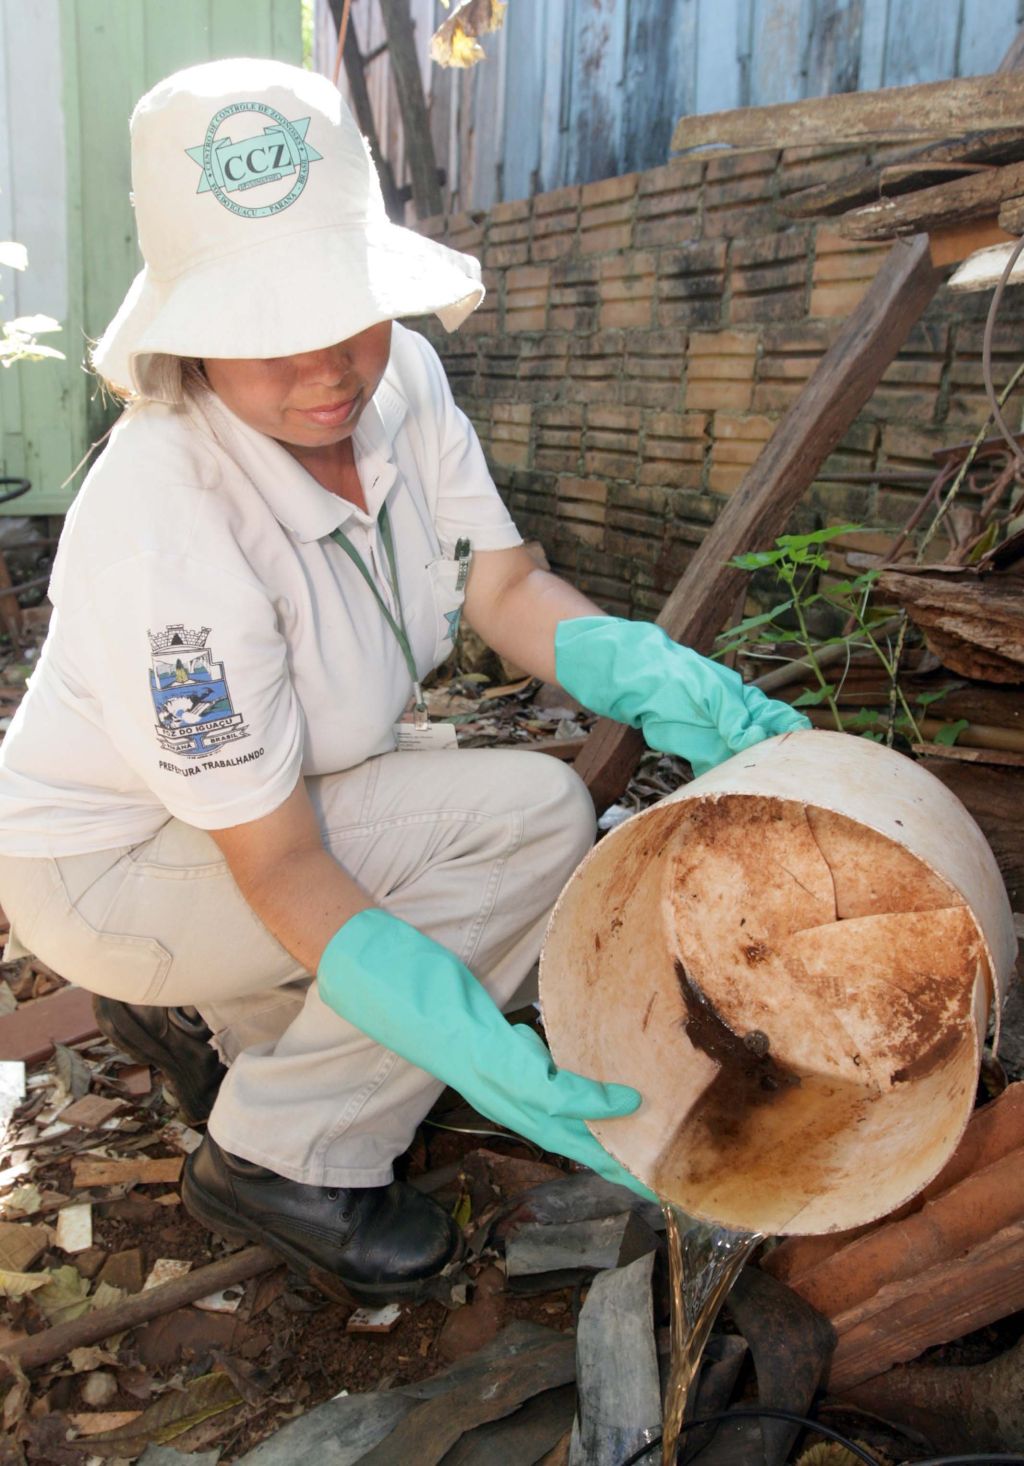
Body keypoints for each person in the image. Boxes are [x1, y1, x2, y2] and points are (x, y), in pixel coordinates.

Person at [0, 59, 808, 1303]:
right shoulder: (169, 518)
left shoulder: (401, 386)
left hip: (280, 795)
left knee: (494, 834)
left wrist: (639, 667)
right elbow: (274, 860)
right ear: (188, 331)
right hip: (116, 863)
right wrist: (445, 1017)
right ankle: (282, 1154)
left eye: (349, 307)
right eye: (268, 331)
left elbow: (501, 586)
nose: (327, 365)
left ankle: (249, 1028)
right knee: (520, 837)